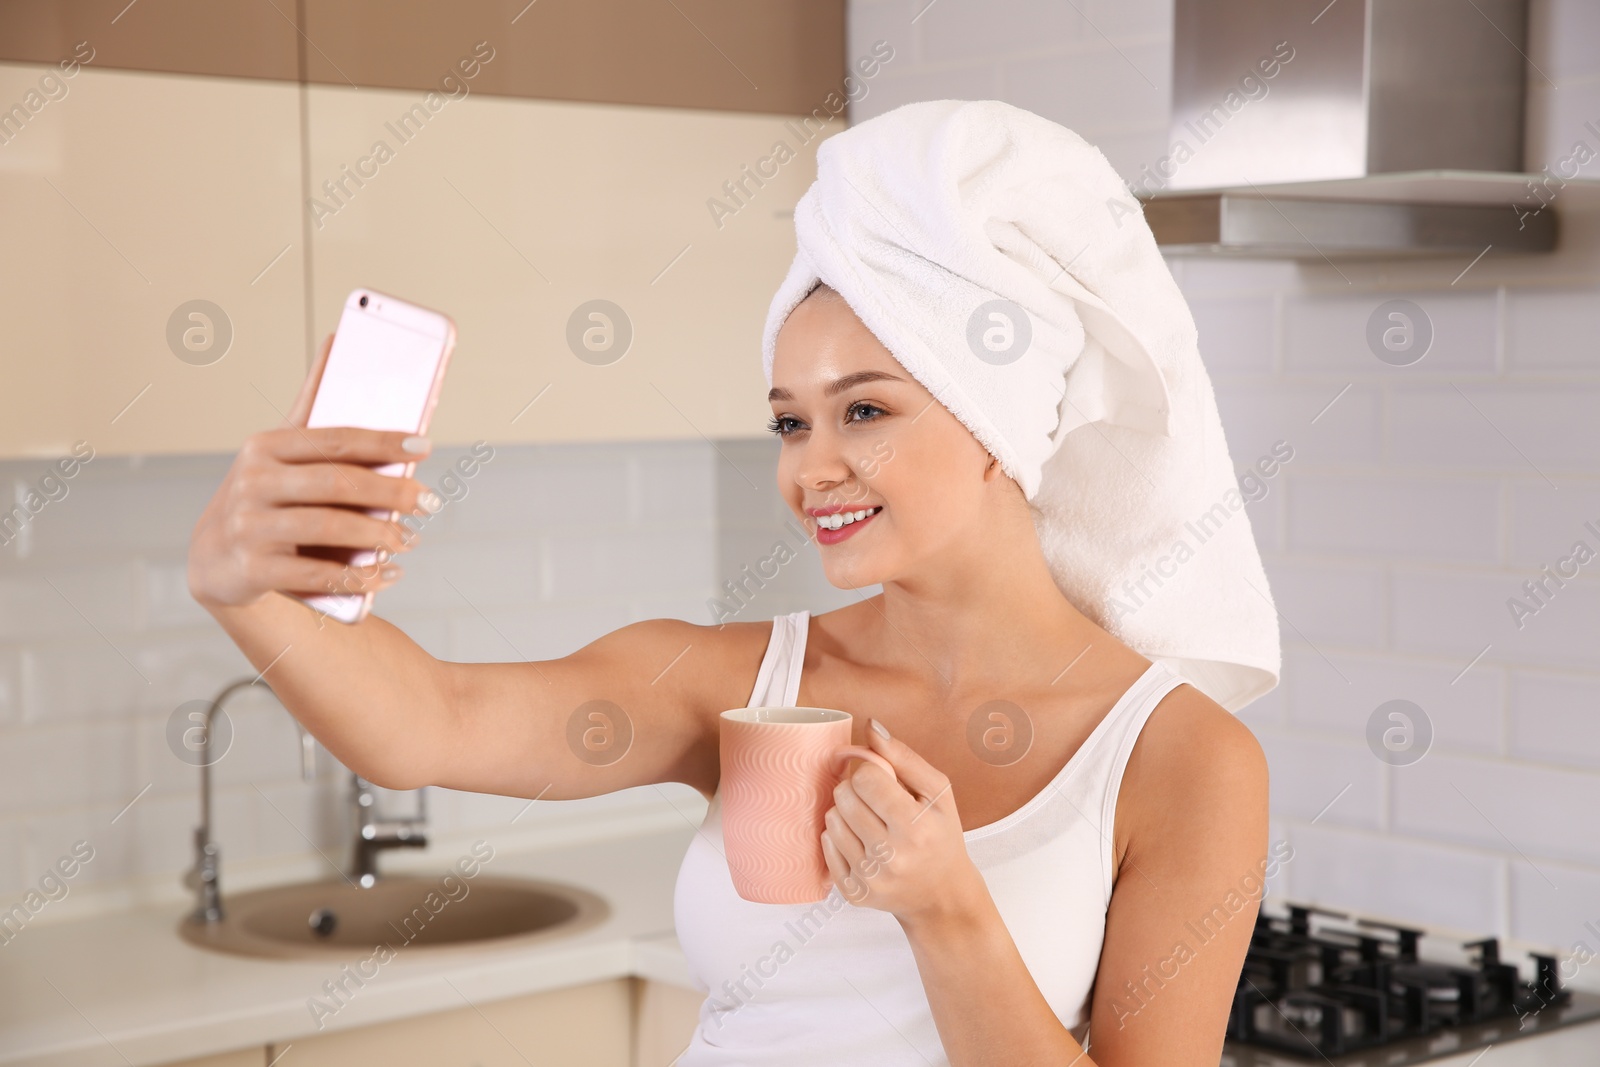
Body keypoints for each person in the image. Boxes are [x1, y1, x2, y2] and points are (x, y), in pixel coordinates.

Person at [188, 101, 1274, 1066]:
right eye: (789, 420)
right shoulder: (737, 683)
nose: (809, 467)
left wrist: (948, 910)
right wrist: (243, 588)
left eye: (864, 410)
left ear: (997, 425)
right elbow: (431, 722)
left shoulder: (1183, 762)